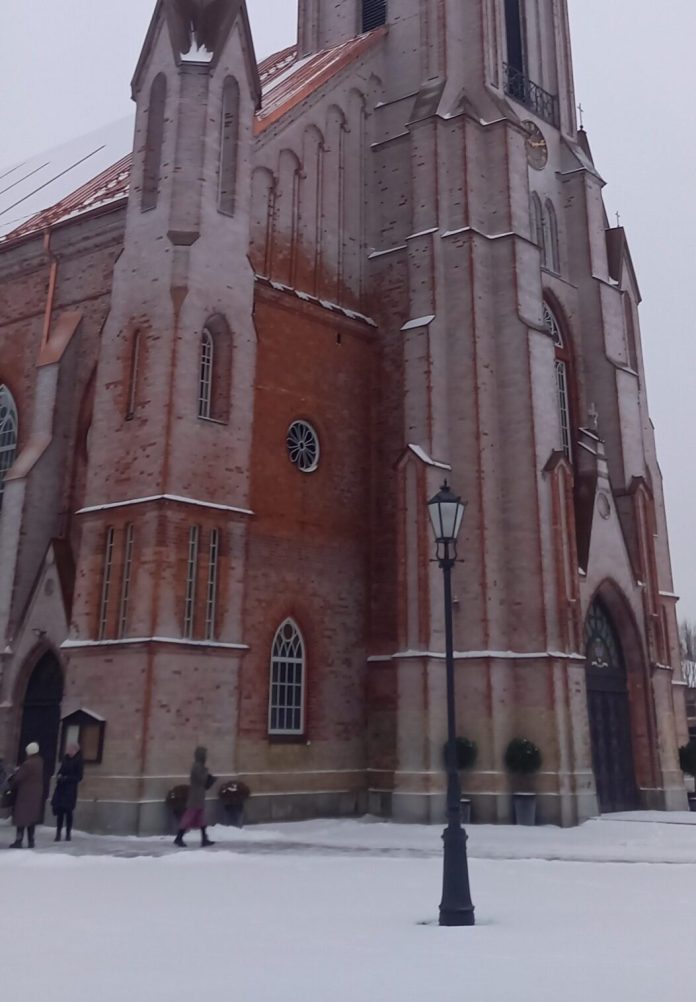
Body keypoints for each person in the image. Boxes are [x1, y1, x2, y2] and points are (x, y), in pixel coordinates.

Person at [174, 746, 216, 848]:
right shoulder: (197, 766)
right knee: (188, 817)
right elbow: (201, 779)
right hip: (195, 797)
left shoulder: (199, 766)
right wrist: (206, 772)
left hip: (199, 796)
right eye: (204, 755)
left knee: (201, 819)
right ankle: (178, 838)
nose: (205, 757)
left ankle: (204, 839)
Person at [9, 743, 45, 849]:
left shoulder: (27, 764)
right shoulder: (40, 762)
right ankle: (31, 841)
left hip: (25, 794)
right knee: (31, 818)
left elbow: (19, 778)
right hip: (36, 794)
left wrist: (13, 777)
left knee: (21, 817)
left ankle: (18, 841)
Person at [50, 744, 84, 842]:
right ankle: (58, 833)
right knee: (60, 811)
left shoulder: (79, 761)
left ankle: (68, 834)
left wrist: (67, 778)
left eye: (70, 749)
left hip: (70, 789)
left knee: (68, 811)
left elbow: (79, 776)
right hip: (61, 788)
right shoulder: (65, 759)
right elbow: (60, 770)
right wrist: (59, 776)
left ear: (75, 750)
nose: (68, 751)